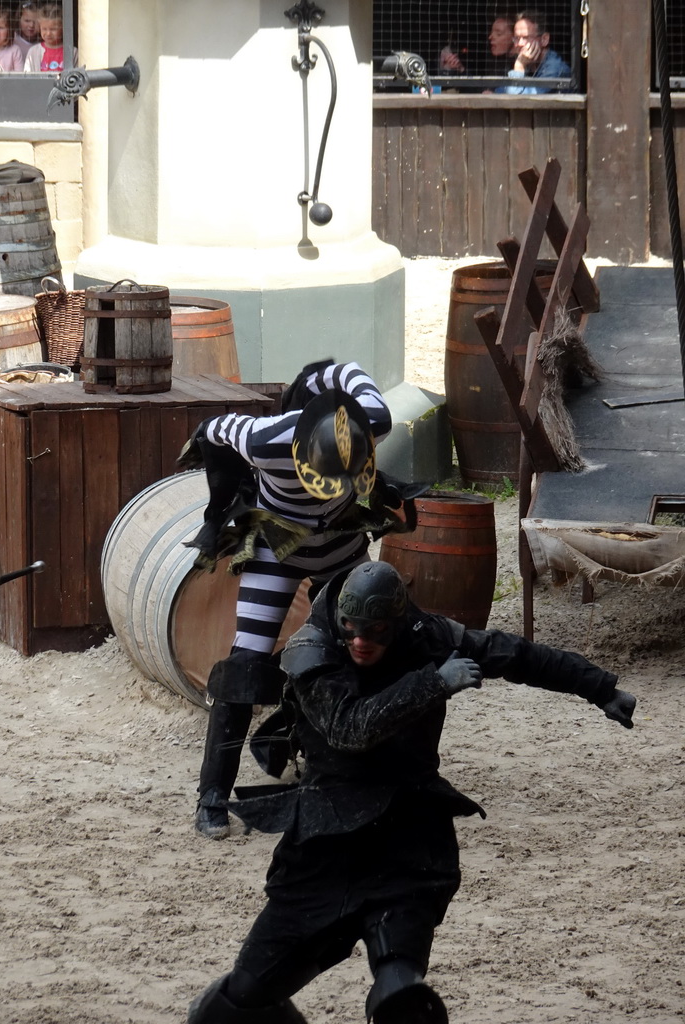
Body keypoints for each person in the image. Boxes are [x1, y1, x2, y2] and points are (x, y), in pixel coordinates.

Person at [188, 561, 637, 1023]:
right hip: (327, 842)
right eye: (352, 629)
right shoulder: (311, 650)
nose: (361, 641)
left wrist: (599, 687)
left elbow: (514, 654)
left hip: (407, 837)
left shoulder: (429, 635)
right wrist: (433, 682)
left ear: (396, 622)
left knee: (403, 997)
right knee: (234, 1004)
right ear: (339, 620)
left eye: (376, 631)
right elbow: (350, 728)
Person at [180, 360, 420, 840]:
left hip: (342, 545)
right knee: (246, 665)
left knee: (371, 648)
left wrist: (320, 380)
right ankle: (211, 795)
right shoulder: (264, 439)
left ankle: (358, 769)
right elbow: (210, 432)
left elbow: (347, 370)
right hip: (276, 548)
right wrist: (221, 502)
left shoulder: (373, 417)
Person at [503, 9, 571, 94]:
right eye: (516, 38)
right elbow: (504, 89)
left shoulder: (554, 69)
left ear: (544, 39)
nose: (519, 44)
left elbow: (517, 101)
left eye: (525, 38)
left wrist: (519, 66)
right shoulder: (529, 63)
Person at [23, 4, 75, 73]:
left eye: (53, 29)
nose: (48, 33)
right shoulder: (33, 51)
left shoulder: (73, 52)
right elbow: (27, 76)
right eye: (44, 29)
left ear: (62, 28)